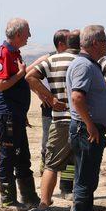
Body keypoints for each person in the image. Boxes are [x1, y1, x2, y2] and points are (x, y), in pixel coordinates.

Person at [24, 29, 106, 211]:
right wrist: (101, 90)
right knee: (81, 165)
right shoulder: (91, 61)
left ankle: (44, 205)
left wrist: (50, 98)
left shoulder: (53, 60)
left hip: (62, 119)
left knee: (51, 164)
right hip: (85, 120)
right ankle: (76, 208)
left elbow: (29, 76)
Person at [66, 25, 106, 211]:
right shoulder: (83, 66)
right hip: (86, 131)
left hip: (89, 130)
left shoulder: (89, 65)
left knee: (87, 178)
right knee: (85, 179)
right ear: (94, 43)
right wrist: (90, 125)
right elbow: (78, 98)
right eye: (104, 40)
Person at [0, 18, 40, 211]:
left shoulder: (14, 53)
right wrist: (20, 74)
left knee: (22, 157)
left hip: (16, 114)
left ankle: (29, 198)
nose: (30, 36)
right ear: (18, 34)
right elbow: (0, 85)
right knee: (8, 157)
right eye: (28, 32)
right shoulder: (2, 54)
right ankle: (8, 201)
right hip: (6, 115)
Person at [27, 29, 70, 175]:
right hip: (50, 107)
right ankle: (45, 168)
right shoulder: (48, 58)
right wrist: (42, 94)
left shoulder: (73, 58)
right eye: (69, 42)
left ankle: (65, 178)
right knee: (48, 140)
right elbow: (28, 75)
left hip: (69, 108)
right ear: (60, 44)